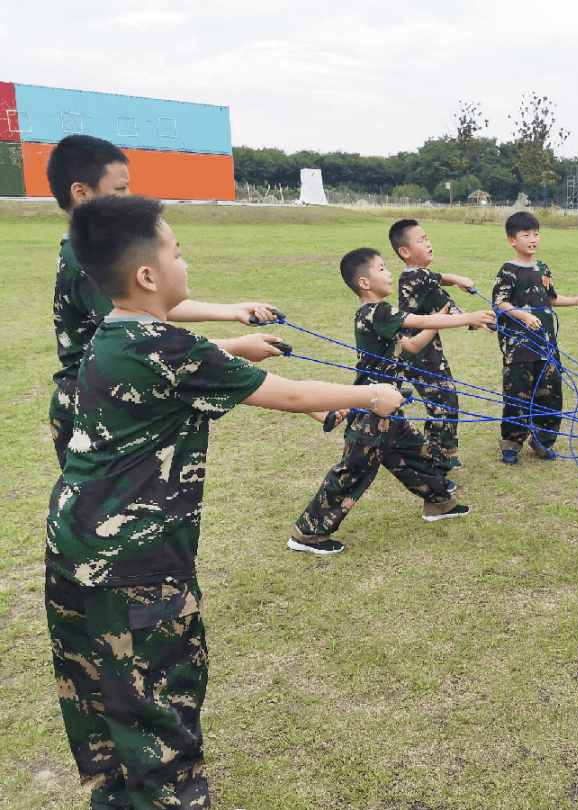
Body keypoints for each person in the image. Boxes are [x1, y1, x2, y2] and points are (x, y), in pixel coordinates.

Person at [46, 195, 412, 808]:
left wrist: (241, 348)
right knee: (159, 714)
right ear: (147, 274)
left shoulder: (114, 336)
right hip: (136, 569)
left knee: (101, 715)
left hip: (73, 554)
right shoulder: (167, 349)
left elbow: (183, 363)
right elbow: (292, 397)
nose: (185, 265)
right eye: (178, 252)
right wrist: (372, 394)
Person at [46, 133, 282, 470]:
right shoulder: (87, 260)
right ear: (81, 193)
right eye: (119, 190)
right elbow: (141, 346)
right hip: (95, 403)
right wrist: (239, 346)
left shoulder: (93, 249)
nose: (129, 197)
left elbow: (146, 305)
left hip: (108, 394)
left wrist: (230, 311)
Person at [290, 248, 497, 554]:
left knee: (419, 456)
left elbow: (411, 345)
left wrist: (437, 321)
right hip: (371, 410)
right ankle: (307, 533)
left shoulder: (383, 317)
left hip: (390, 408)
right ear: (364, 282)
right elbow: (415, 318)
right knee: (354, 469)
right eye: (383, 269)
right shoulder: (375, 312)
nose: (390, 274)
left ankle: (439, 503)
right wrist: (469, 317)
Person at [492, 211, 578, 465]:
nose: (532, 239)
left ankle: (543, 441)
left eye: (536, 234)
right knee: (518, 395)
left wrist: (577, 301)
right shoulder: (508, 270)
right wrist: (523, 316)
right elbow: (500, 303)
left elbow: (551, 299)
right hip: (518, 349)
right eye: (525, 235)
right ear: (512, 240)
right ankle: (511, 444)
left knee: (550, 395)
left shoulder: (542, 268)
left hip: (545, 346)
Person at [390, 218, 477, 470]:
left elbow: (438, 278)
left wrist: (458, 278)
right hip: (419, 352)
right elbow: (448, 309)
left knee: (444, 401)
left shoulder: (417, 275)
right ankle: (435, 461)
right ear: (404, 252)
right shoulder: (419, 278)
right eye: (421, 241)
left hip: (426, 350)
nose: (428, 244)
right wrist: (475, 320)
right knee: (443, 404)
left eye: (427, 238)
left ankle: (445, 453)